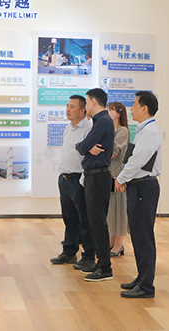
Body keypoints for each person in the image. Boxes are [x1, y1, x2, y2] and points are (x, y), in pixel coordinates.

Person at [116, 91, 162, 298]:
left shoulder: (149, 131)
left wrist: (121, 178)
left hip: (144, 187)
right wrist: (127, 179)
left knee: (143, 237)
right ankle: (142, 278)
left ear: (145, 108)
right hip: (139, 186)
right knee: (138, 234)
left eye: (134, 104)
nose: (131, 108)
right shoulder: (143, 129)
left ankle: (146, 286)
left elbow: (138, 159)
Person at [50, 95, 96, 270]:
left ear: (83, 110)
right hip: (65, 178)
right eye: (67, 106)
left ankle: (88, 256)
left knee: (85, 220)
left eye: (72, 107)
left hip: (79, 179)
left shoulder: (89, 129)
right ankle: (69, 252)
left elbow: (89, 157)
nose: (67, 110)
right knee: (69, 218)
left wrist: (83, 181)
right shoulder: (68, 128)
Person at [75, 88, 115, 281]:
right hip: (94, 176)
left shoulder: (103, 121)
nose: (86, 106)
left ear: (92, 101)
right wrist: (85, 147)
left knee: (98, 222)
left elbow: (82, 146)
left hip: (98, 177)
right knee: (94, 221)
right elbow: (83, 146)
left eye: (86, 101)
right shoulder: (99, 121)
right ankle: (101, 262)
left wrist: (85, 147)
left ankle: (105, 267)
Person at [107, 102, 130, 257]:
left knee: (119, 209)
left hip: (117, 173)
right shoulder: (111, 130)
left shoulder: (122, 131)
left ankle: (119, 244)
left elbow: (113, 152)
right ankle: (111, 242)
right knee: (110, 210)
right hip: (109, 173)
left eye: (111, 110)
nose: (108, 112)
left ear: (119, 113)